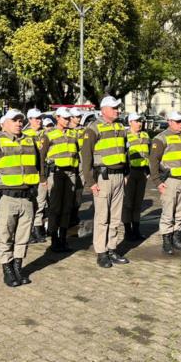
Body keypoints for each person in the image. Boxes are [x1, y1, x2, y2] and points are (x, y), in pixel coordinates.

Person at [0, 110, 42, 287]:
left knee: (23, 236)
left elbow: (40, 165)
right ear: (4, 123)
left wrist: (39, 184)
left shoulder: (30, 141)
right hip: (7, 198)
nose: (19, 123)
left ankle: (18, 267)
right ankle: (7, 269)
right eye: (14, 120)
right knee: (5, 235)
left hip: (28, 198)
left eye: (21, 120)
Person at [81, 96, 130, 268]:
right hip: (103, 178)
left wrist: (126, 173)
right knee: (102, 217)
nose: (118, 110)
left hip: (118, 177)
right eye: (114, 108)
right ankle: (101, 252)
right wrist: (90, 182)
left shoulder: (120, 126)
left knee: (115, 217)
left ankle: (112, 248)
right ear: (104, 110)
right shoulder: (93, 128)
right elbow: (85, 158)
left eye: (118, 107)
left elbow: (126, 151)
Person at [149, 111, 181, 255]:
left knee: (180, 213)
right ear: (169, 122)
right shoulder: (161, 139)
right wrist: (157, 182)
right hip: (170, 181)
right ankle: (167, 241)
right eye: (177, 121)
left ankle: (176, 239)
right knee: (168, 213)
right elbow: (153, 162)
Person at [38, 107, 78, 252]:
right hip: (56, 174)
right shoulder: (48, 134)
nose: (68, 121)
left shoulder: (74, 134)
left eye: (69, 118)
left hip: (71, 174)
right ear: (58, 118)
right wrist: (42, 177)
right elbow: (41, 157)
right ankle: (54, 239)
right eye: (65, 118)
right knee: (55, 207)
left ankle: (63, 238)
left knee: (67, 207)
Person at [122, 112, 150, 241]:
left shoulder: (145, 135)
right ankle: (128, 232)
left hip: (142, 173)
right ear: (130, 122)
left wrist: (148, 171)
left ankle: (136, 230)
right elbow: (122, 155)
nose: (139, 123)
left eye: (140, 121)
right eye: (137, 121)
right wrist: (125, 174)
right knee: (128, 204)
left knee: (138, 203)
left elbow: (149, 154)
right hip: (130, 173)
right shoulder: (125, 136)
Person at [23, 108, 47, 244]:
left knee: (41, 201)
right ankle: (29, 229)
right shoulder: (25, 135)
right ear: (30, 120)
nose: (39, 121)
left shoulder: (46, 133)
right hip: (29, 173)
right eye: (36, 118)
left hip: (42, 172)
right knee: (29, 202)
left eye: (40, 118)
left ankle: (38, 227)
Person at [68, 108, 86, 228]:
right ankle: (67, 216)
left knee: (79, 191)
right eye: (76, 116)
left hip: (81, 165)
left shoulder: (84, 130)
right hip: (70, 164)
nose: (78, 118)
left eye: (79, 116)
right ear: (71, 118)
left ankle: (75, 214)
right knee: (69, 190)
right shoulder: (66, 130)